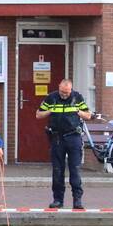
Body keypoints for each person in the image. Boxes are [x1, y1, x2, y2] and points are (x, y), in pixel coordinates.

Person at [36, 78, 92, 209]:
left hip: (73, 137)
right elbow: (38, 115)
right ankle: (58, 200)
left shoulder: (77, 97)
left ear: (71, 90)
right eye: (62, 92)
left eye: (66, 92)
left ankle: (77, 200)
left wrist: (78, 111)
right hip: (57, 138)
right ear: (59, 88)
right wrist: (50, 111)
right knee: (57, 170)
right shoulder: (51, 98)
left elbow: (88, 115)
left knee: (75, 170)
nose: (64, 95)